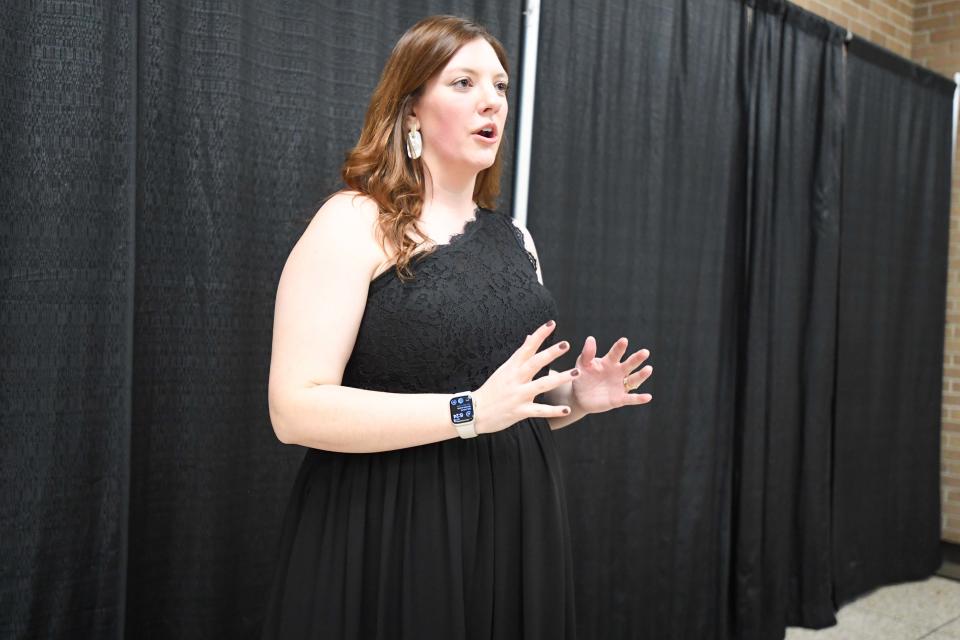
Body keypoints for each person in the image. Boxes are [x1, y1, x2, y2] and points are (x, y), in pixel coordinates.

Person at [260, 14, 653, 639]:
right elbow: (294, 410)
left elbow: (511, 404)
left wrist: (570, 398)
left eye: (498, 85)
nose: (490, 100)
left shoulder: (515, 239)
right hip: (393, 522)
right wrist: (466, 412)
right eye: (464, 83)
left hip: (513, 517)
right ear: (411, 109)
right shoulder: (354, 223)